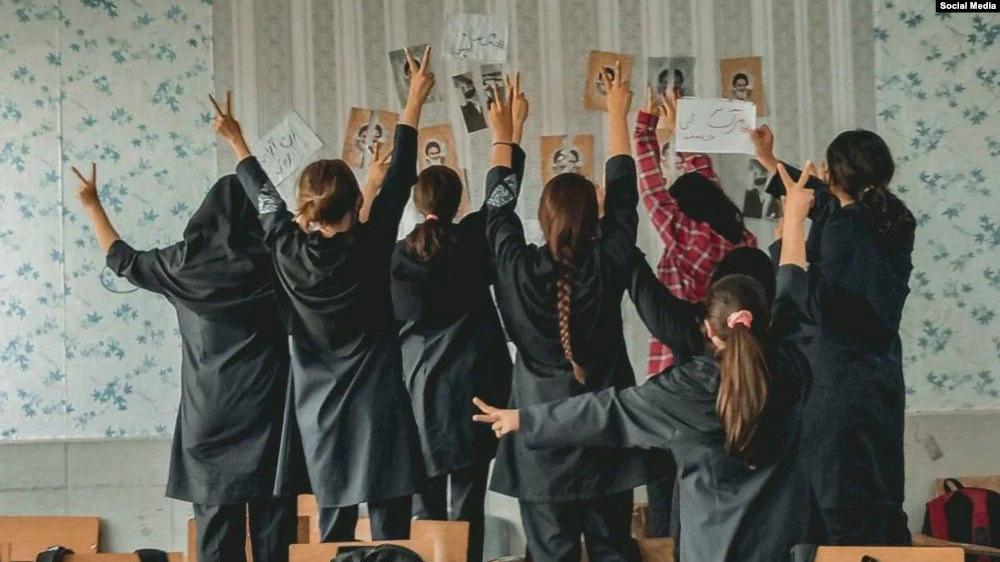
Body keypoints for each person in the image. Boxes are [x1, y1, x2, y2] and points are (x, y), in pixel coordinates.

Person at [473, 195, 817, 561]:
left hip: (713, 550)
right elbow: (793, 286)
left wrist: (523, 419)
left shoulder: (688, 389)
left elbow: (607, 411)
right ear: (763, 321)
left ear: (707, 329)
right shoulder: (791, 361)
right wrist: (794, 218)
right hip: (788, 547)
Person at [209, 46, 438, 542]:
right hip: (379, 405)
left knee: (330, 536)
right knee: (391, 533)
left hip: (319, 411)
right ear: (357, 202)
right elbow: (401, 177)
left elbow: (264, 196)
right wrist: (414, 98)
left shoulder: (287, 248)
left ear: (306, 209)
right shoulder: (371, 245)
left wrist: (237, 140)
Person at [73, 165, 296, 562]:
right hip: (269, 417)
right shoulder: (279, 264)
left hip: (208, 420)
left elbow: (121, 259)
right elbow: (283, 222)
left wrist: (92, 205)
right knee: (275, 539)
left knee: (215, 543)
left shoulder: (180, 266)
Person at [481, 62, 653, 562]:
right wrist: (616, 113)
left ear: (542, 218)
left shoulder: (514, 265)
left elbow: (496, 212)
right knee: (614, 552)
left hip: (537, 440)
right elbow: (625, 196)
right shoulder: (611, 260)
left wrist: (506, 134)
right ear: (594, 219)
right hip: (606, 436)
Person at [752, 125, 917, 545]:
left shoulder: (846, 230)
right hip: (879, 387)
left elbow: (802, 303)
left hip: (836, 389)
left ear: (831, 173)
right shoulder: (891, 221)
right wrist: (770, 161)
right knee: (880, 505)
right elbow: (828, 204)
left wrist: (781, 245)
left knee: (837, 514)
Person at [391, 73, 528, 562]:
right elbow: (502, 199)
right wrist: (505, 136)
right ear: (457, 204)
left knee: (423, 510)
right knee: (467, 505)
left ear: (415, 203)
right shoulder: (475, 240)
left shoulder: (394, 258)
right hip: (477, 389)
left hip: (417, 394)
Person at [634, 84, 757, 540]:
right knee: (713, 492)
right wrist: (685, 132)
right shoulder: (743, 243)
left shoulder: (686, 234)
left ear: (683, 208)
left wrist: (645, 126)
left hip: (682, 370)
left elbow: (649, 186)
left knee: (668, 492)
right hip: (735, 375)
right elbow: (705, 185)